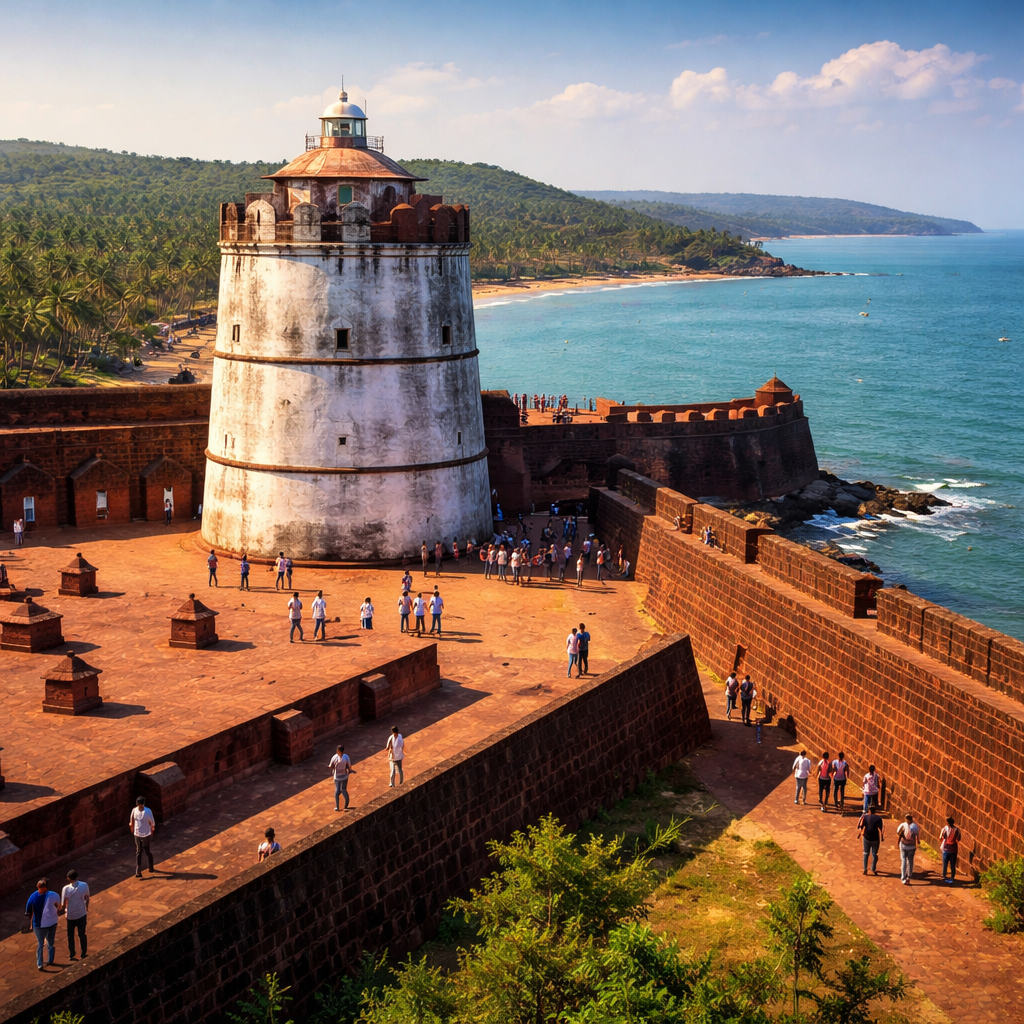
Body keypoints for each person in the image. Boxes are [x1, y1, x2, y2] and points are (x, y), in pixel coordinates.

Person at [24, 878, 61, 970]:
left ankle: (48, 961)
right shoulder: (53, 895)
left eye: (40, 888)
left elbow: (28, 911)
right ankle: (41, 963)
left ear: (44, 888)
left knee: (49, 943)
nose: (39, 889)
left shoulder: (38, 896)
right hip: (42, 924)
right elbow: (58, 906)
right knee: (43, 943)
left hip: (47, 923)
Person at [61, 869, 90, 960]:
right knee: (82, 934)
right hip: (81, 913)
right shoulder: (84, 885)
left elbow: (63, 903)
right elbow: (87, 897)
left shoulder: (65, 889)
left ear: (69, 878)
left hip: (71, 915)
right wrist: (86, 907)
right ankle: (83, 952)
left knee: (70, 935)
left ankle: (72, 953)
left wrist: (62, 909)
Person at [130, 796, 156, 877]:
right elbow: (131, 820)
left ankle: (151, 866)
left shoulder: (147, 811)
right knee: (138, 851)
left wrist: (152, 830)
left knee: (147, 850)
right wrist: (132, 828)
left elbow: (152, 822)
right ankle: (138, 869)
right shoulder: (134, 810)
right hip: (137, 833)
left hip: (145, 833)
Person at [858, 804, 885, 875]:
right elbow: (881, 829)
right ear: (875, 811)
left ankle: (865, 869)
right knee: (874, 854)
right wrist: (882, 837)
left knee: (866, 853)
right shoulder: (878, 818)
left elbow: (861, 825)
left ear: (869, 810)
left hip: (866, 837)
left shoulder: (866, 817)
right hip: (875, 838)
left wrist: (861, 833)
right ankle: (873, 868)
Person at [329, 744, 356, 810]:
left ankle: (337, 807)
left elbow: (330, 766)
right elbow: (349, 766)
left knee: (337, 791)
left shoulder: (334, 757)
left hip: (337, 777)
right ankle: (346, 806)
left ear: (338, 751)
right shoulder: (346, 757)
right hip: (344, 776)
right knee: (344, 790)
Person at [896, 813, 920, 885]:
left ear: (906, 819)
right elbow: (917, 836)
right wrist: (918, 841)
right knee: (910, 861)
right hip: (912, 846)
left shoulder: (903, 825)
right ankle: (909, 876)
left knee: (904, 861)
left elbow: (898, 833)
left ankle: (903, 878)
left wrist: (898, 843)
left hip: (904, 845)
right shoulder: (915, 827)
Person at [939, 816, 962, 883]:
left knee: (945, 863)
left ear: (948, 823)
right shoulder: (957, 830)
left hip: (946, 848)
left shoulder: (944, 829)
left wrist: (944, 841)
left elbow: (940, 837)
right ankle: (952, 877)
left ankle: (944, 876)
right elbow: (958, 839)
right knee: (952, 864)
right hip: (953, 849)